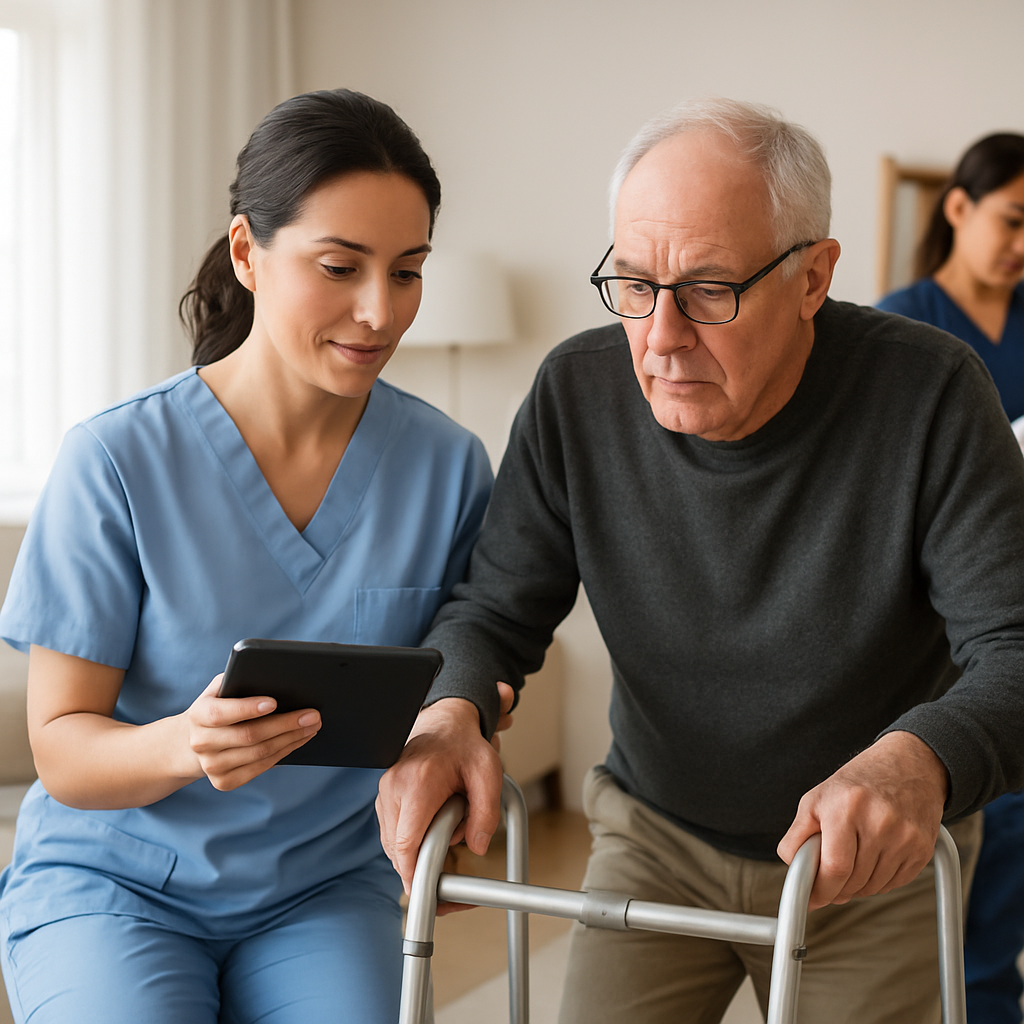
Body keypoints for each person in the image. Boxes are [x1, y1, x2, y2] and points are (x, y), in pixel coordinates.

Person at [377, 98, 1024, 1024]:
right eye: (634, 284)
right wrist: (448, 715)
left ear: (813, 277)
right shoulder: (576, 392)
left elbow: (1016, 645)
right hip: (656, 834)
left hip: (865, 861)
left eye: (710, 290)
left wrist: (918, 762)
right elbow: (494, 608)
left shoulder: (933, 394)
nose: (662, 337)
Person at [0, 88, 493, 1024]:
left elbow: (467, 665)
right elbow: (62, 750)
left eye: (408, 271)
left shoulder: (448, 466)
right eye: (340, 267)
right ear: (246, 253)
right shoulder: (117, 459)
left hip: (321, 892)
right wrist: (185, 743)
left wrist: (453, 757)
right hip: (114, 885)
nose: (379, 312)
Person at [878, 132, 1024, 1024]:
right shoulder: (904, 324)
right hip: (941, 614)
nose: (1023, 246)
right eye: (1013, 221)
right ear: (960, 209)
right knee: (979, 821)